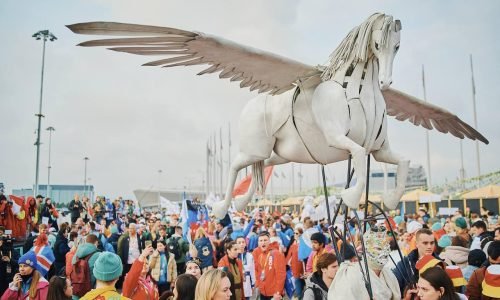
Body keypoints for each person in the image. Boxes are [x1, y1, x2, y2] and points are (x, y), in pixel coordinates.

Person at [394, 228, 441, 295]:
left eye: (432, 243)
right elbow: (395, 287)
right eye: (425, 243)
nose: (429, 246)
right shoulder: (404, 264)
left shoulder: (440, 263)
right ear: (417, 244)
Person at [253, 231, 286, 300]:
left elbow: (281, 275)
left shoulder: (276, 254)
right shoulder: (260, 256)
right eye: (261, 241)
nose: (263, 242)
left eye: (265, 240)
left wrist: (278, 292)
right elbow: (259, 273)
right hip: (263, 292)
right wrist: (259, 285)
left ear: (269, 241)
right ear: (258, 243)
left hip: (274, 294)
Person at [117, 223, 144, 288]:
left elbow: (142, 248)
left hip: (137, 261)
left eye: (132, 228)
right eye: (129, 228)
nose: (130, 230)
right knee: (127, 276)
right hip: (128, 261)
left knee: (136, 276)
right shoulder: (125, 238)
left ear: (135, 229)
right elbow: (121, 250)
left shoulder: (140, 238)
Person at [286, 228, 304, 299]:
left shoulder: (302, 244)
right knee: (298, 290)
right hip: (294, 269)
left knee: (300, 290)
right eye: (294, 233)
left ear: (300, 234)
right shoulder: (293, 243)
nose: (294, 235)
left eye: (296, 233)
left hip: (300, 269)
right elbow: (288, 256)